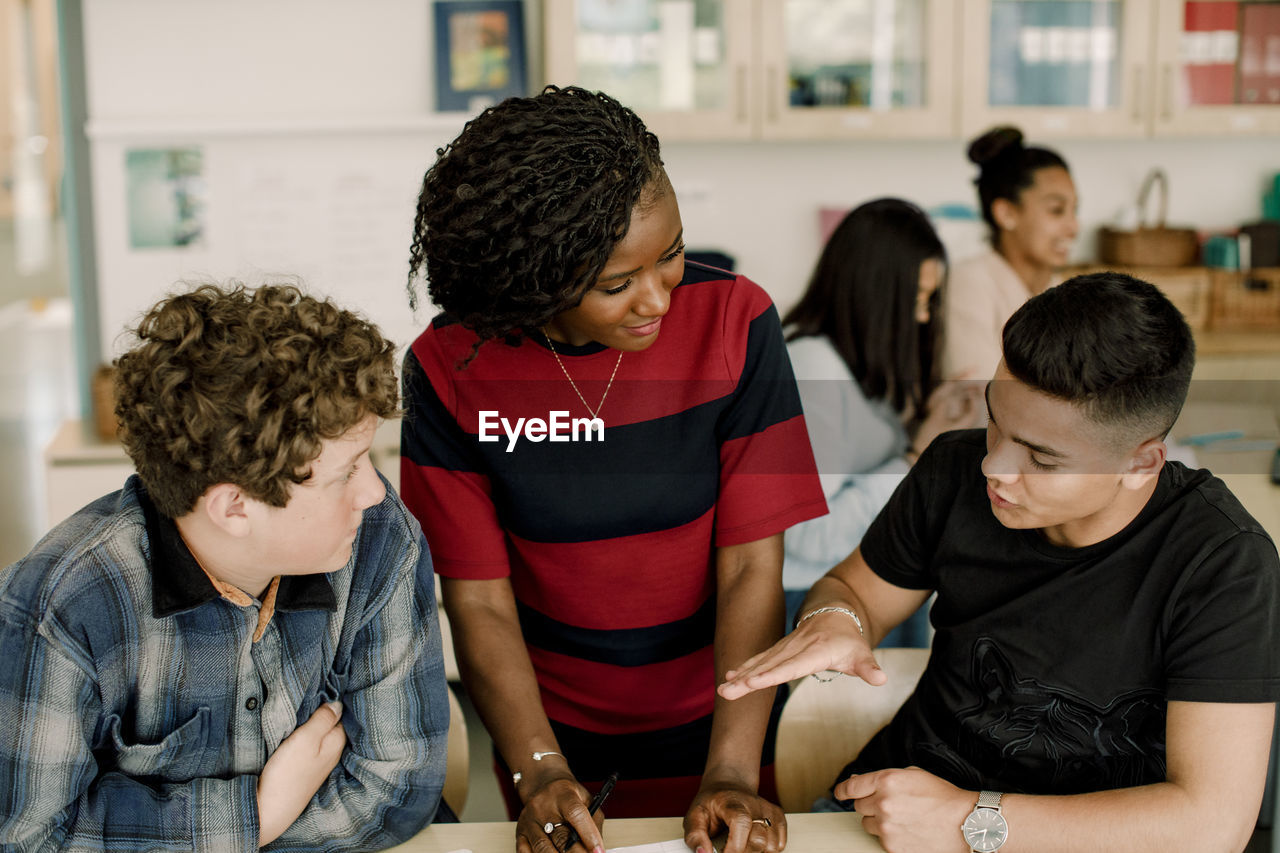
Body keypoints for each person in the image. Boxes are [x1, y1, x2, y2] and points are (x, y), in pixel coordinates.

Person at [400, 86, 825, 853]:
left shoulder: (736, 323)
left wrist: (730, 771)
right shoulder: (449, 366)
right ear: (534, 278)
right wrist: (539, 770)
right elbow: (480, 601)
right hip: (545, 729)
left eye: (670, 257)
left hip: (726, 712)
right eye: (615, 284)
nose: (657, 299)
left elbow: (751, 568)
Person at [721, 272, 1280, 853]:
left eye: (1041, 458)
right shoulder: (953, 470)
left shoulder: (1223, 565)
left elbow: (1212, 824)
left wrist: (969, 821)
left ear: (1142, 463)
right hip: (890, 818)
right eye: (995, 421)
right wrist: (836, 620)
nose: (994, 467)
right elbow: (851, 591)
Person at [0, 283, 450, 851]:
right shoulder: (57, 608)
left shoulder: (381, 542)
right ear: (234, 507)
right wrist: (259, 815)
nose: (374, 495)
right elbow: (28, 837)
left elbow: (399, 792)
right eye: (347, 471)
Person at [780, 199, 982, 642]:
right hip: (817, 598)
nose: (924, 316)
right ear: (873, 292)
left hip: (861, 582)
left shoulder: (852, 362)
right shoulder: (813, 368)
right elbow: (808, 534)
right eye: (917, 299)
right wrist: (916, 454)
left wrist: (926, 419)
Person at [943, 126, 1078, 382]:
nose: (1073, 227)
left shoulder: (1060, 291)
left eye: (1075, 210)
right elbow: (980, 400)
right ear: (1006, 214)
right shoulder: (968, 284)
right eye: (1057, 210)